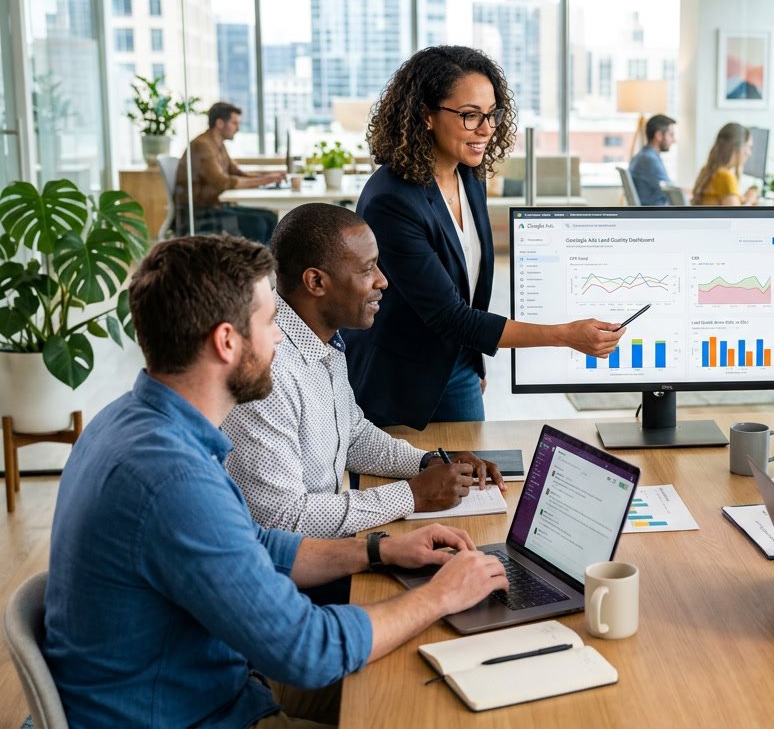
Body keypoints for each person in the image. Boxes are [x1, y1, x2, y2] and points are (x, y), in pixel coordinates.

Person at [43, 234, 507, 728]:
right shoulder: (173, 479)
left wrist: (378, 551)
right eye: (269, 323)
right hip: (201, 714)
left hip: (195, 691)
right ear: (226, 342)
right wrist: (441, 595)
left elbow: (255, 544)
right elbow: (307, 650)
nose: (283, 337)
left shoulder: (130, 423)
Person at [345, 45, 623, 429]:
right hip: (399, 381)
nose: (487, 129)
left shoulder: (468, 175)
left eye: (492, 114)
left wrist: (470, 360)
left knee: (475, 486)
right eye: (470, 116)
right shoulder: (392, 201)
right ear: (425, 115)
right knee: (406, 488)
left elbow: (467, 287)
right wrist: (564, 335)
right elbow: (448, 314)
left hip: (456, 363)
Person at [223, 202, 504, 541]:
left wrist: (429, 462)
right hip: (289, 572)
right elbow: (282, 519)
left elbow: (352, 435)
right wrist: (412, 495)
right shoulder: (268, 372)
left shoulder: (322, 337)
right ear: (316, 281)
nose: (383, 281)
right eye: (367, 269)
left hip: (321, 551)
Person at [176, 101, 286, 244]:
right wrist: (266, 180)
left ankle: (267, 263)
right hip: (199, 214)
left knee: (270, 216)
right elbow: (224, 182)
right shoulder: (202, 145)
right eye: (234, 123)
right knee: (258, 224)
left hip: (216, 206)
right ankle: (255, 264)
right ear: (220, 123)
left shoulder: (218, 144)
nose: (238, 128)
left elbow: (237, 173)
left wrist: (269, 176)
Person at [691, 122, 760, 206]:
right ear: (737, 147)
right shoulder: (725, 177)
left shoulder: (708, 171)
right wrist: (750, 201)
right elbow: (737, 217)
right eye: (748, 147)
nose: (749, 153)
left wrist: (742, 200)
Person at [628, 113, 676, 206]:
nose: (674, 140)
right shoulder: (649, 160)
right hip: (657, 213)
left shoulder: (642, 155)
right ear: (659, 135)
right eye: (671, 135)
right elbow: (672, 193)